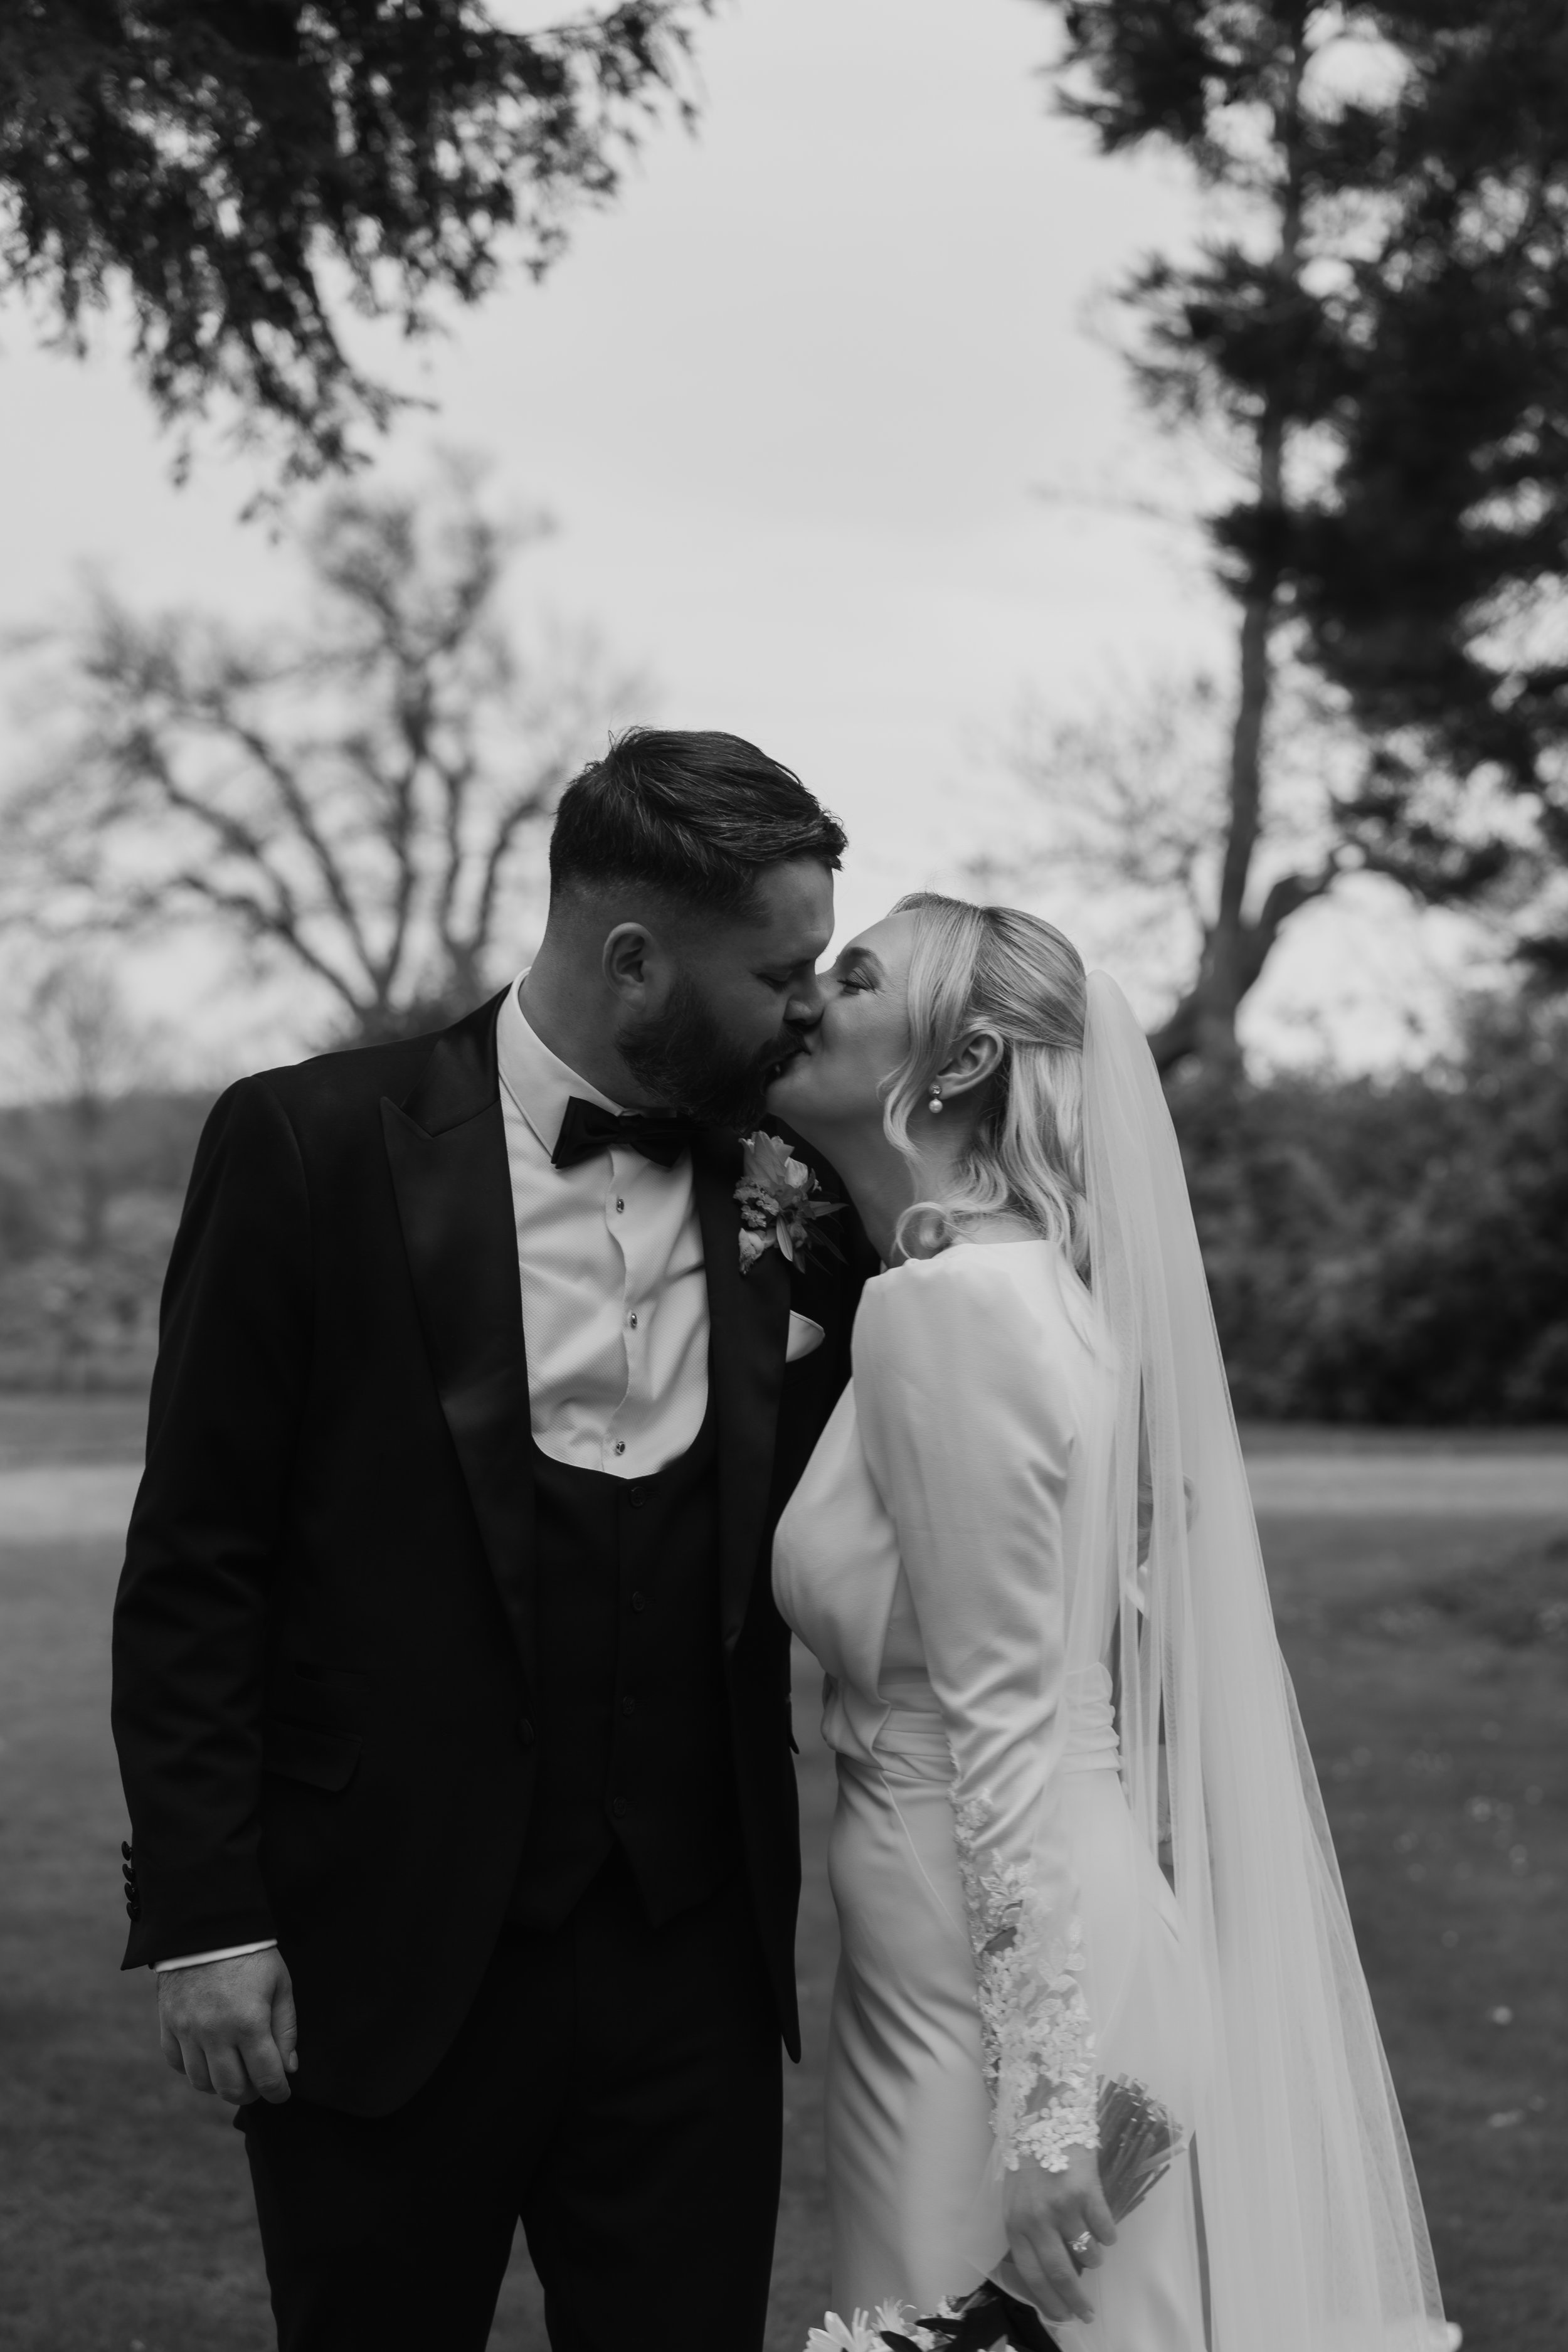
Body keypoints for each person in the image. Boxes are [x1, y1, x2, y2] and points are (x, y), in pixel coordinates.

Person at [111, 728, 876, 2352]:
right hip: (379, 1955)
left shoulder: (801, 1185)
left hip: (691, 1973)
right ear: (632, 959)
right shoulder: (310, 1144)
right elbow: (198, 1557)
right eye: (781, 968)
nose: (807, 1005)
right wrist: (210, 1916)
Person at [770, 894, 1451, 2349]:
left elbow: (1004, 1731)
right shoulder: (1030, 1296)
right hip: (993, 1945)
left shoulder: (948, 1310)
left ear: (952, 1066)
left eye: (854, 974)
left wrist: (1042, 2115)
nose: (808, 997)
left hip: (991, 1976)